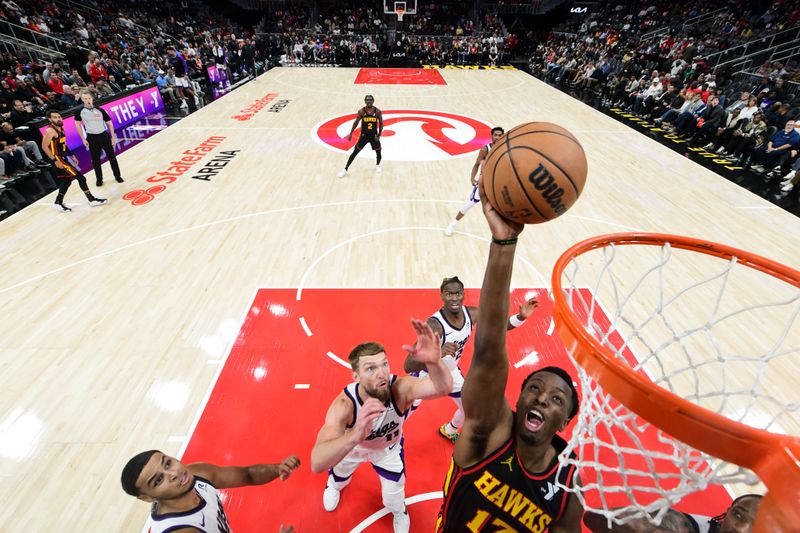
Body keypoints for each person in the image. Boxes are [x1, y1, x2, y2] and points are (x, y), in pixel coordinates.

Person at [435, 182, 583, 531]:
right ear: (518, 398)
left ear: (564, 424)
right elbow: (487, 348)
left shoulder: (567, 484)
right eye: (534, 388)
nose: (543, 398)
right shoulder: (491, 431)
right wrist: (504, 244)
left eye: (556, 399)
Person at [310, 320, 454, 533]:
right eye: (371, 368)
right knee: (339, 477)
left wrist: (434, 363)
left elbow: (443, 388)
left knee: (393, 496)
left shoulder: (400, 388)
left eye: (384, 364)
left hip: (388, 450)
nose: (381, 373)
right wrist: (353, 436)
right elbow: (316, 462)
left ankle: (399, 511)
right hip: (353, 448)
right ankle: (334, 485)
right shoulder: (344, 406)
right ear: (356, 377)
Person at [403, 275, 538, 443]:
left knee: (469, 409)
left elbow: (497, 326)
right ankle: (384, 441)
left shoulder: (471, 314)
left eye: (457, 293)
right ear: (441, 295)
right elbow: (408, 365)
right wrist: (437, 354)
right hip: (427, 375)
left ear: (463, 294)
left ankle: (449, 430)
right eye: (449, 294)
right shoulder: (435, 325)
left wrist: (520, 317)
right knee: (405, 409)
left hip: (451, 373)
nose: (454, 298)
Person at [121, 449, 300, 533]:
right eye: (159, 480)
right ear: (146, 497)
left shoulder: (197, 473)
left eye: (168, 463)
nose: (174, 473)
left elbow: (248, 475)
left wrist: (277, 468)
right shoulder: (182, 531)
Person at [583, 493, 762, 533]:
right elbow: (595, 518)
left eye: (756, 525)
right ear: (727, 512)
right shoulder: (683, 527)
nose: (741, 528)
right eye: (737, 515)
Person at [41, 109, 106, 212]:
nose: (58, 119)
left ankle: (58, 202)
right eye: (55, 117)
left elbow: (63, 144)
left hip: (62, 157)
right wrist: (54, 160)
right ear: (50, 119)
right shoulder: (50, 131)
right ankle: (91, 199)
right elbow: (44, 146)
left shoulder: (61, 128)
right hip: (57, 159)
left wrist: (71, 155)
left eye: (59, 117)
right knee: (81, 178)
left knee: (66, 181)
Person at [444, 126, 504, 236]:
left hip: (496, 181)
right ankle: (453, 224)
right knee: (470, 204)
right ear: (491, 136)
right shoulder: (485, 149)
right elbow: (476, 164)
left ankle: (501, 230)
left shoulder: (504, 149)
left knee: (502, 205)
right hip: (484, 182)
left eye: (500, 135)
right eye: (495, 135)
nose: (497, 137)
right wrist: (472, 177)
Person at [75, 90, 123, 186]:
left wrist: (113, 137)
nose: (88, 100)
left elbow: (109, 123)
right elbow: (78, 125)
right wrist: (83, 139)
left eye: (89, 98)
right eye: (85, 99)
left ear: (92, 98)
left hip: (103, 135)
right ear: (82, 99)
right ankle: (99, 179)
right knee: (96, 160)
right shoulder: (79, 111)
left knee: (112, 157)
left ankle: (117, 176)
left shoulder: (100, 110)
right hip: (92, 137)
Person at [337, 95, 383, 178]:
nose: (369, 101)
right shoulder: (361, 111)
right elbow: (356, 122)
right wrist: (351, 133)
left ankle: (378, 165)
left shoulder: (378, 111)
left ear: (373, 101)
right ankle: (345, 169)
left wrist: (379, 135)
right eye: (367, 100)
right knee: (355, 152)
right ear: (365, 101)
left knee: (378, 151)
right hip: (364, 136)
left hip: (374, 136)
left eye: (370, 100)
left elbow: (381, 124)